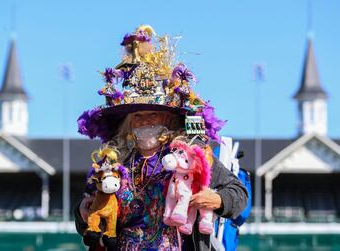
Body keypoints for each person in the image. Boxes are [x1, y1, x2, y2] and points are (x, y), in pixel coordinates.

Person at [75, 25, 248, 251]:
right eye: (138, 115)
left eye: (153, 114)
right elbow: (88, 212)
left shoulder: (190, 155)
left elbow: (238, 193)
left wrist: (217, 200)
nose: (146, 121)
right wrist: (82, 211)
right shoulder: (113, 159)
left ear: (167, 118)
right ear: (129, 121)